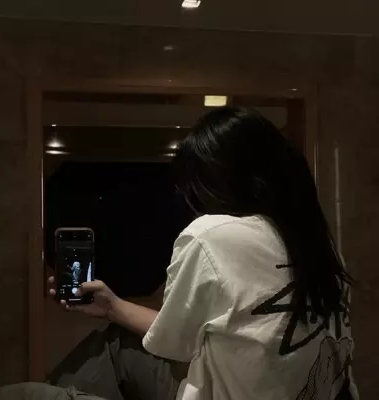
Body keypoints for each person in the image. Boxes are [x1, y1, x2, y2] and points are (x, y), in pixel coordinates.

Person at [48, 106, 358, 400]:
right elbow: (188, 335)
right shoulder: (320, 247)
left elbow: (175, 348)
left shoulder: (211, 236)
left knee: (101, 353)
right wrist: (112, 306)